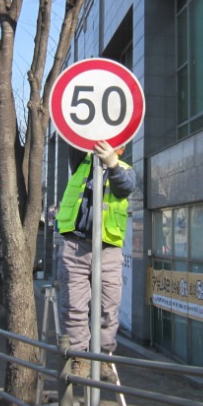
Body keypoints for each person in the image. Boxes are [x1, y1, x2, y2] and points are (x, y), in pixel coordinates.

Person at [55, 140, 136, 383]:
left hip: (108, 248)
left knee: (108, 307)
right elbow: (72, 136)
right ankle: (80, 358)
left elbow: (125, 187)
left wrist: (112, 163)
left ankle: (102, 357)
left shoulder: (124, 169)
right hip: (76, 244)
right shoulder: (82, 163)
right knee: (74, 306)